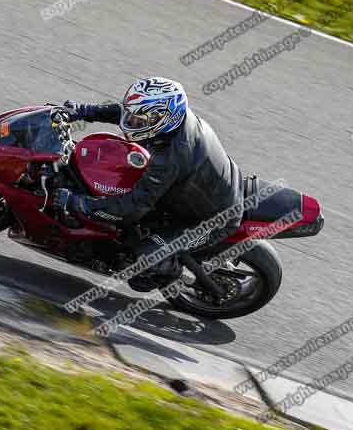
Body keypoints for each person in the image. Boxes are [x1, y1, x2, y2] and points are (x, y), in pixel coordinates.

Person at [54, 76, 244, 291]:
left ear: (161, 119)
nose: (131, 122)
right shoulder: (172, 122)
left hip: (214, 219)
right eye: (133, 117)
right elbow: (126, 113)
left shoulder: (171, 157)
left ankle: (174, 277)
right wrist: (83, 111)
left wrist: (81, 204)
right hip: (201, 189)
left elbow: (132, 206)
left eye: (138, 121)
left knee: (142, 265)